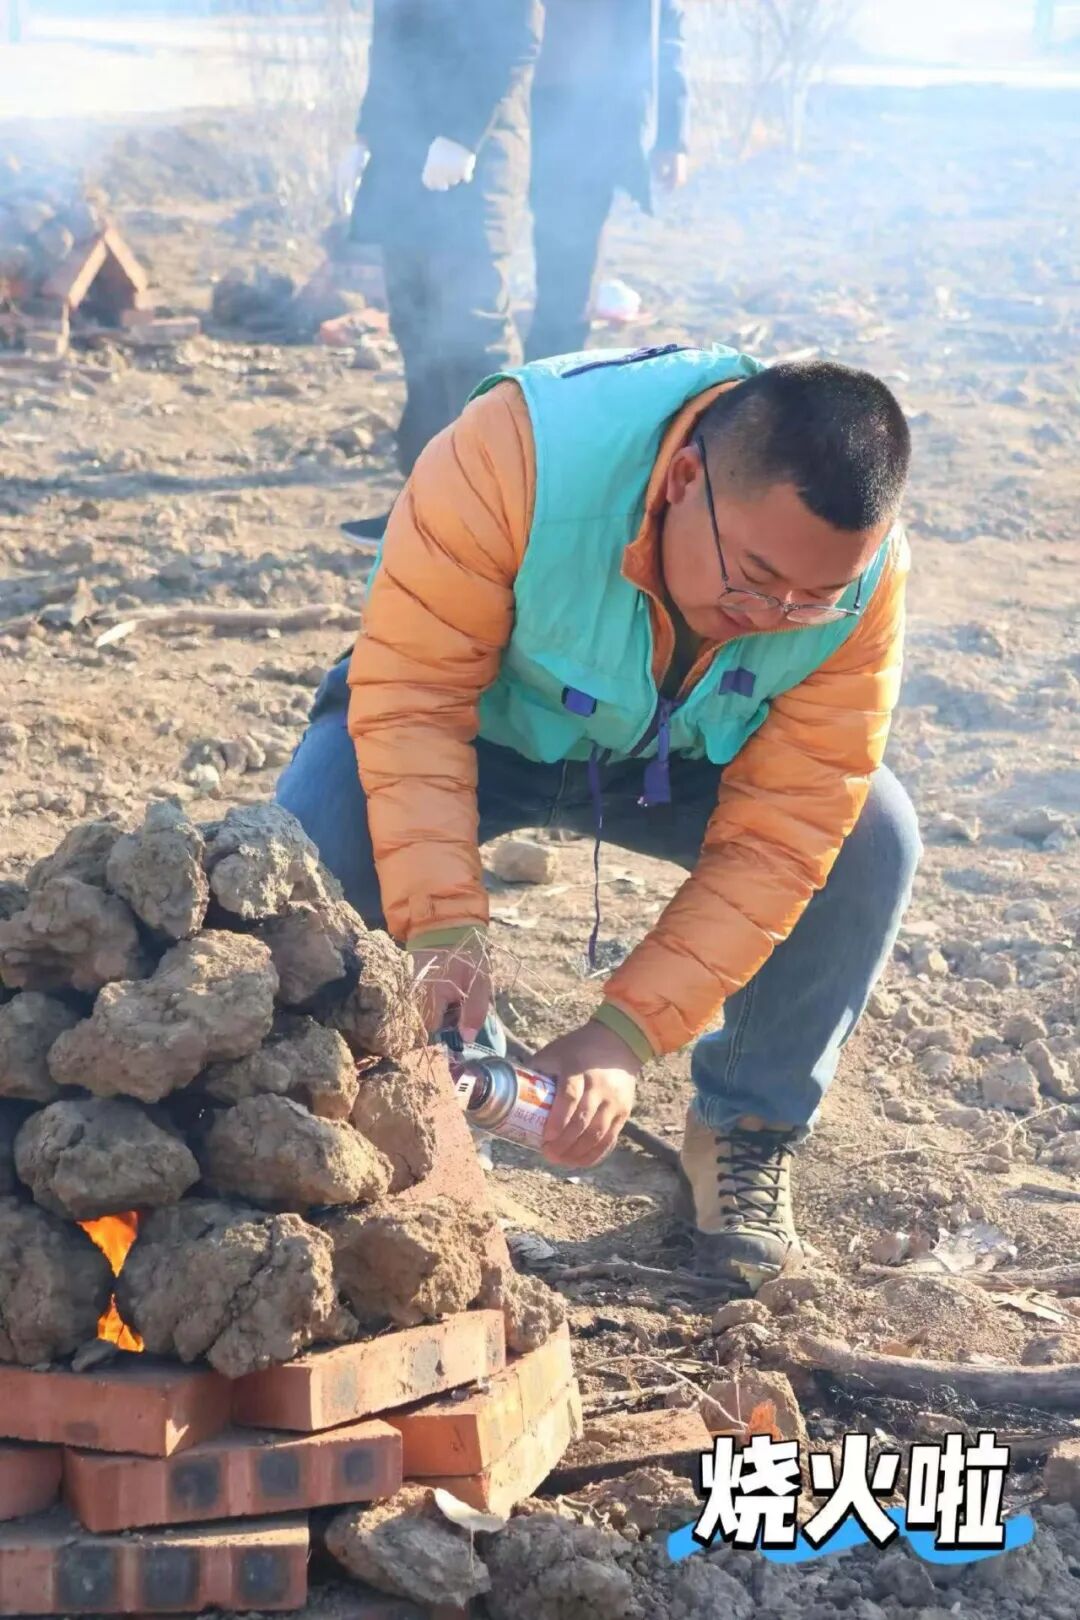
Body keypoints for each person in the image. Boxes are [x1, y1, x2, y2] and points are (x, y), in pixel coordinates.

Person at [277, 344, 920, 1294]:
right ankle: (402, 1111)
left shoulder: (864, 585)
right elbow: (413, 705)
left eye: (811, 602)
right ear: (686, 479)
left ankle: (746, 1131)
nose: (774, 615)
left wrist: (624, 1036)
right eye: (753, 577)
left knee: (870, 834)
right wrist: (443, 933)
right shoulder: (516, 453)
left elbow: (785, 835)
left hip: (676, 762)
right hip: (476, 727)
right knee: (309, 852)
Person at [342, 0, 542, 537]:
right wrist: (367, 135)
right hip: (401, 163)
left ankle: (502, 516)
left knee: (474, 337)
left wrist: (461, 133)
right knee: (417, 330)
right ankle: (426, 508)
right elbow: (392, 42)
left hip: (474, 165)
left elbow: (516, 34)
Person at [526, 0, 690, 362]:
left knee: (569, 270)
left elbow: (665, 32)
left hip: (592, 112)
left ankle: (550, 378)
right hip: (501, 100)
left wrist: (671, 135)